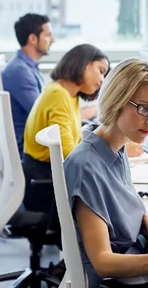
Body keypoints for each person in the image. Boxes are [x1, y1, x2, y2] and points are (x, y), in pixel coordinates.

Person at [64, 59, 148, 287]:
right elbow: (102, 261)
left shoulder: (115, 147)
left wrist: (140, 217)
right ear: (116, 101)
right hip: (113, 279)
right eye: (145, 109)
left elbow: (114, 209)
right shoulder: (86, 166)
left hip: (129, 263)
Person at [22, 44, 109, 218]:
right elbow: (69, 155)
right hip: (43, 183)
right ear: (84, 63)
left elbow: (73, 141)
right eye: (100, 71)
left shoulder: (68, 94)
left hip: (46, 175)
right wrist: (109, 152)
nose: (102, 80)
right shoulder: (58, 95)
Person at [1, 13, 54, 156]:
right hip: (29, 150)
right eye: (48, 35)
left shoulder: (27, 67)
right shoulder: (20, 72)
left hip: (33, 142)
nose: (52, 40)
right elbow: (42, 115)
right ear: (32, 38)